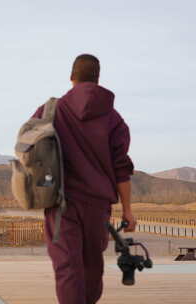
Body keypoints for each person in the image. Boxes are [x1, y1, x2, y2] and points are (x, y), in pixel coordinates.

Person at [32, 54, 136, 304]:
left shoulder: (49, 111)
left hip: (60, 204)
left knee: (68, 269)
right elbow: (122, 169)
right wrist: (128, 210)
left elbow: (29, 150)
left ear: (71, 77)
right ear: (98, 79)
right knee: (91, 268)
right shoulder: (113, 119)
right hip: (98, 208)